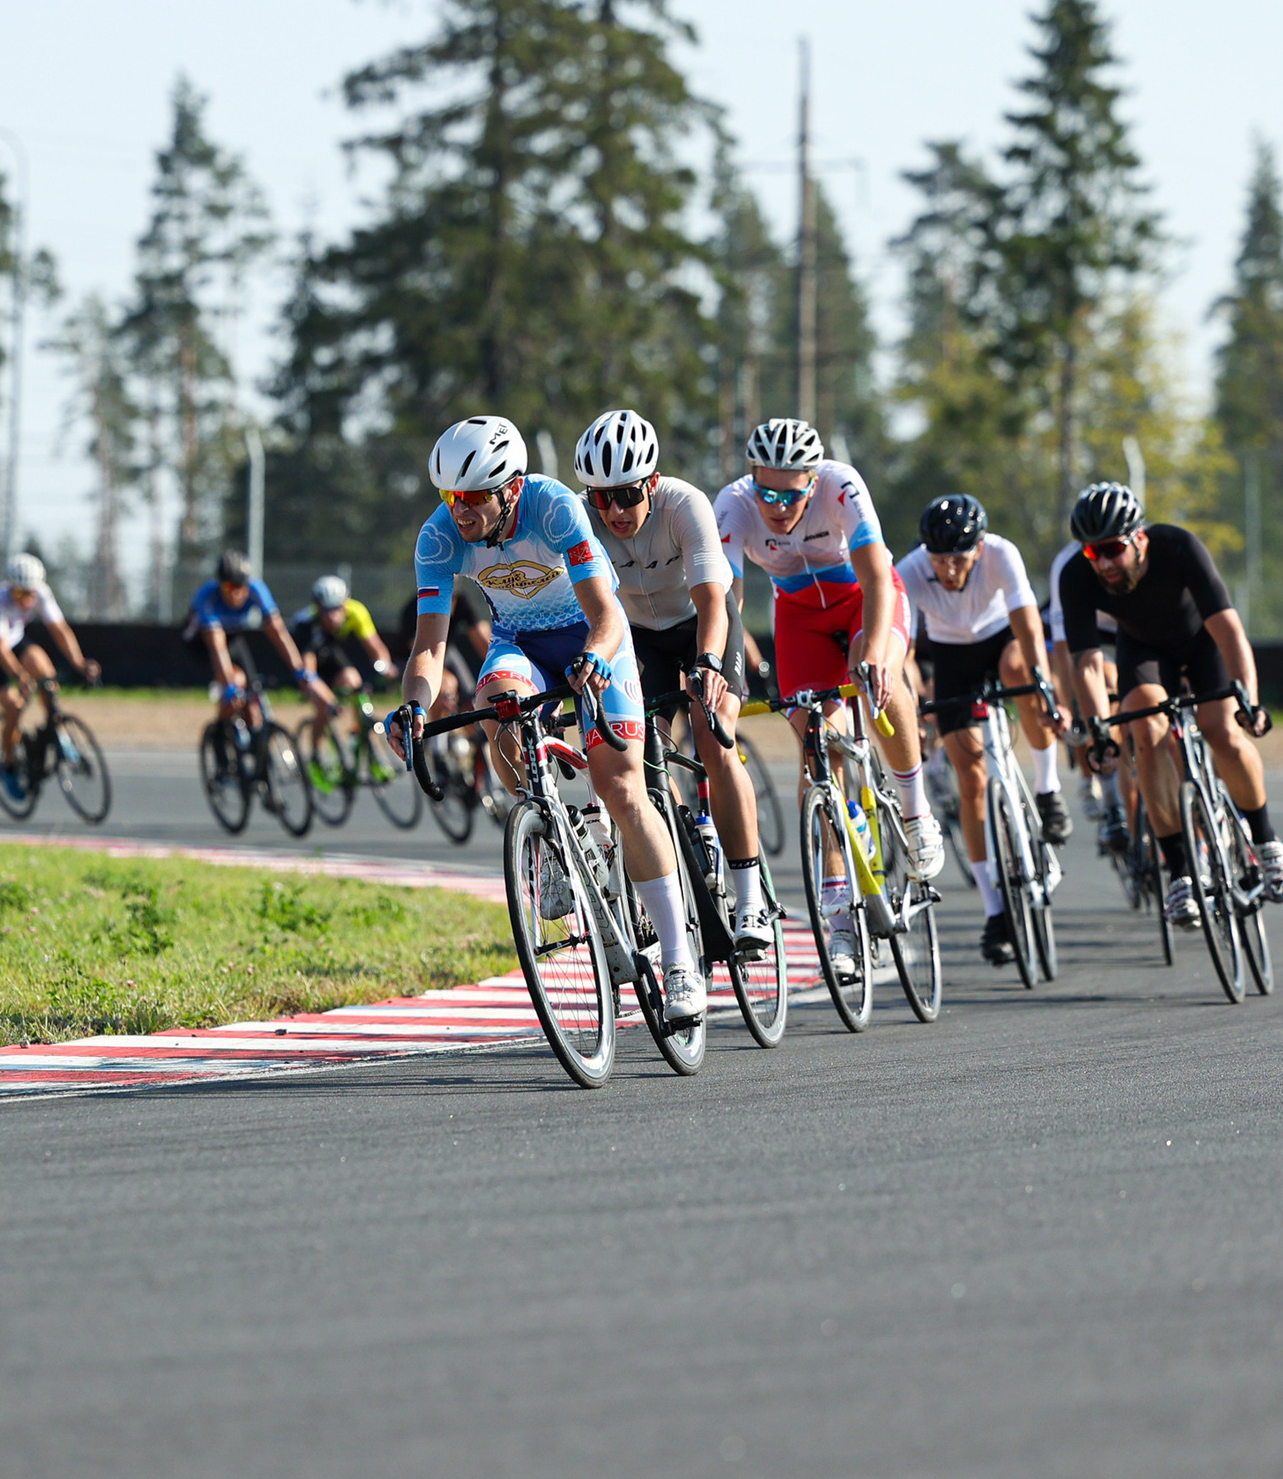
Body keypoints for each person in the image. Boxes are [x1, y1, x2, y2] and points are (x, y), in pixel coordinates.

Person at [385, 415, 706, 1023]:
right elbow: (429, 645)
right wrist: (416, 706)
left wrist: (592, 659)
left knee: (621, 787)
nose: (462, 511)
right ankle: (558, 840)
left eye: (475, 497)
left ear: (510, 488)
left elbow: (608, 615)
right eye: (452, 497)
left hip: (592, 637)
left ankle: (679, 963)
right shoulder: (438, 536)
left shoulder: (554, 507)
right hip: (521, 643)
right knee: (498, 710)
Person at [713, 418, 942, 986]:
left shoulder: (843, 485)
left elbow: (878, 579)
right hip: (798, 619)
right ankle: (839, 920)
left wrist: (876, 658)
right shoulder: (734, 506)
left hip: (864, 601)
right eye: (766, 491)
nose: (778, 507)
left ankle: (914, 812)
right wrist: (726, 670)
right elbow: (727, 601)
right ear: (751, 480)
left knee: (880, 680)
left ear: (812, 483)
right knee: (817, 746)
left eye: (791, 495)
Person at [571, 408, 773, 955]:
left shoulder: (685, 504)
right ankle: (685, 837)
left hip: (700, 627)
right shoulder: (582, 522)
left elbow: (713, 599)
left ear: (653, 483)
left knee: (714, 739)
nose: (613, 510)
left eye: (627, 494)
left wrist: (707, 663)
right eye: (599, 496)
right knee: (640, 754)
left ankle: (751, 896)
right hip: (638, 639)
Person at [1057, 482, 1283, 925]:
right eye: (1094, 553)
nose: (1105, 563)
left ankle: (1265, 841)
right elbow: (1088, 665)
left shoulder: (1178, 546)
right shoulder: (1075, 575)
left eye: (1112, 549)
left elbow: (1229, 631)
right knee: (1144, 733)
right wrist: (1099, 732)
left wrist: (1250, 699)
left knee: (1221, 731)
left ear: (1140, 539)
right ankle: (1181, 873)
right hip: (1145, 652)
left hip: (1201, 643)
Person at [895, 494, 1066, 968]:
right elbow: (904, 649)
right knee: (971, 780)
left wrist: (1044, 682)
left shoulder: (1002, 554)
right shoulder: (910, 570)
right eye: (939, 559)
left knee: (1020, 670)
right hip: (952, 658)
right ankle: (995, 911)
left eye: (959, 559)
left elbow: (1028, 625)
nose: (948, 570)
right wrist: (918, 703)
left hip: (999, 639)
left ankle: (1048, 788)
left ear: (980, 546)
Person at [0, 553, 100, 802]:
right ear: (11, 589)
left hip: (15, 640)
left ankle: (57, 732)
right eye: (19, 594)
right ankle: (8, 765)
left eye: (30, 594)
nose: (26, 601)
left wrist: (80, 663)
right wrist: (19, 676)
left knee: (47, 676)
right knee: (14, 706)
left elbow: (59, 629)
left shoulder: (41, 592)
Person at [1043, 535, 1129, 851]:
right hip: (1086, 626)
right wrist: (1068, 703)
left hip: (1126, 624)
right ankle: (1095, 782)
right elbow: (1064, 649)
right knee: (1090, 684)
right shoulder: (1067, 565)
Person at [188, 551, 308, 732]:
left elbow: (278, 631)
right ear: (220, 585)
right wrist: (229, 684)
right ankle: (221, 734)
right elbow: (217, 644)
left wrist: (299, 670)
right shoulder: (208, 597)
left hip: (234, 638)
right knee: (235, 686)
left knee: (252, 701)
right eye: (229, 587)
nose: (236, 594)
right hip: (203, 643)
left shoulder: (256, 590)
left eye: (240, 587)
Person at [291, 574, 397, 737]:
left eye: (336, 609)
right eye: (326, 610)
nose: (332, 616)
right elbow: (309, 669)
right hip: (308, 664)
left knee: (353, 680)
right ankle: (316, 753)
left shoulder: (356, 611)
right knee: (324, 708)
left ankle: (357, 729)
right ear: (318, 608)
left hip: (330, 654)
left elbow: (375, 647)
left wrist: (385, 666)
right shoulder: (307, 624)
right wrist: (327, 700)